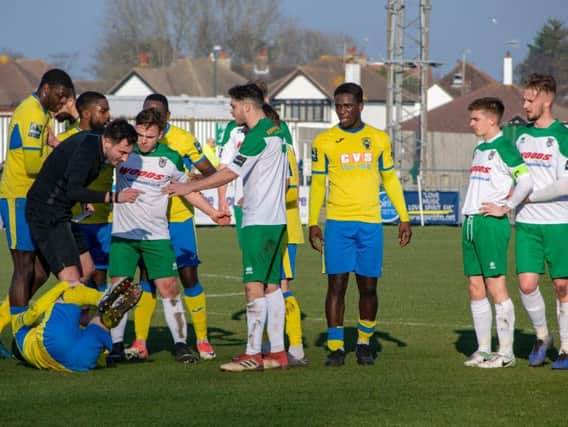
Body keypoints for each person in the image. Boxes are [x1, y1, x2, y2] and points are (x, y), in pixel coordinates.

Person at [164, 83, 289, 372]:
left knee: (252, 285)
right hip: (277, 219)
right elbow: (232, 170)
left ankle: (253, 354)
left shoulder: (256, 137)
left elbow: (229, 174)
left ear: (246, 106)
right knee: (272, 286)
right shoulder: (277, 130)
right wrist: (195, 177)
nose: (231, 111)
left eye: (232, 106)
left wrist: (187, 186)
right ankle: (279, 353)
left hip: (259, 221)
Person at [108, 108, 229, 363]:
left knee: (169, 288)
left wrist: (213, 212)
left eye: (149, 136)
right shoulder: (122, 154)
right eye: (139, 134)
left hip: (157, 235)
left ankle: (181, 344)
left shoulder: (171, 158)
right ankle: (116, 345)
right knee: (119, 289)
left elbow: (186, 190)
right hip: (124, 235)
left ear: (160, 134)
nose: (142, 140)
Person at [308, 82, 412, 367]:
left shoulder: (378, 139)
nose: (342, 111)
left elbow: (390, 179)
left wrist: (404, 217)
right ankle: (336, 347)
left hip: (370, 224)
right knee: (336, 286)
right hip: (338, 224)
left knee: (368, 288)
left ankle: (364, 344)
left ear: (360, 106)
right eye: (338, 106)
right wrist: (313, 222)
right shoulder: (324, 141)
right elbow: (318, 183)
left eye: (348, 106)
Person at [0, 69, 75, 355]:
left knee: (41, 270)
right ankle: (20, 337)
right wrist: (62, 162)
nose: (62, 102)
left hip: (32, 199)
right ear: (46, 88)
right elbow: (33, 165)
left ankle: (10, 322)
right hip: (17, 196)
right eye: (60, 96)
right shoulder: (32, 113)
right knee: (24, 267)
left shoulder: (42, 113)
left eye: (66, 97)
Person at [461, 97, 533, 368]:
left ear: (492, 119)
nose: (471, 124)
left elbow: (525, 180)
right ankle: (483, 350)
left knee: (495, 286)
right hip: (470, 221)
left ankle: (506, 353)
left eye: (475, 119)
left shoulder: (505, 147)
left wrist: (507, 207)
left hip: (490, 224)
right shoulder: (480, 148)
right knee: (475, 286)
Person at [510, 74, 568, 369]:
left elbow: (566, 183)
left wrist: (533, 197)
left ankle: (566, 348)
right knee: (527, 284)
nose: (525, 104)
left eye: (530, 99)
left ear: (547, 100)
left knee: (562, 286)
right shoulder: (519, 135)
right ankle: (543, 337)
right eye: (524, 98)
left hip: (559, 223)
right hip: (527, 224)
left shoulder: (563, 136)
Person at [11, 278, 142, 372]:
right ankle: (101, 297)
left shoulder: (36, 361)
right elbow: (34, 312)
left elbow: (100, 360)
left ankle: (106, 319)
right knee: (67, 295)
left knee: (101, 322)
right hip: (51, 340)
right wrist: (63, 285)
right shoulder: (19, 335)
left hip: (79, 362)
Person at [57, 92, 113, 293]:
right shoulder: (64, 141)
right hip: (71, 222)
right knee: (76, 277)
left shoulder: (109, 142)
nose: (109, 115)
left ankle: (98, 322)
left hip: (103, 220)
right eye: (104, 110)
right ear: (87, 113)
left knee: (99, 276)